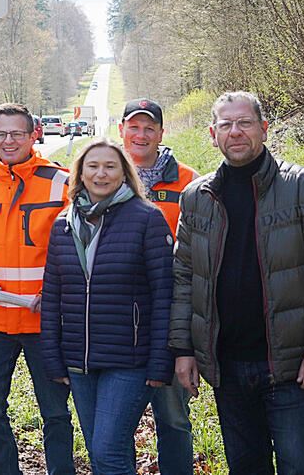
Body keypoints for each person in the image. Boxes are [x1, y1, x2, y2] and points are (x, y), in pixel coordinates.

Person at [170, 91, 304, 475]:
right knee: (245, 466)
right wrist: (183, 349)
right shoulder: (197, 198)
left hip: (289, 365)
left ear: (264, 129)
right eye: (226, 125)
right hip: (227, 366)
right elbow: (184, 278)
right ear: (213, 134)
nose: (235, 132)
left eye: (245, 123)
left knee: (297, 465)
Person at [41, 138, 174, 475]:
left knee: (107, 452)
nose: (101, 174)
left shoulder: (147, 219)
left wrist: (161, 360)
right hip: (79, 361)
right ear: (81, 174)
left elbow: (164, 294)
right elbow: (52, 295)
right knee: (104, 452)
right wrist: (53, 357)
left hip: (128, 360)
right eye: (93, 166)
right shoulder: (63, 224)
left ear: (124, 173)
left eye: (110, 166)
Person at [0, 103, 75, 475]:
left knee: (54, 410)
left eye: (17, 134)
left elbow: (75, 247)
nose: (8, 141)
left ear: (33, 135)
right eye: (1, 134)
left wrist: (53, 295)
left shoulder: (62, 183)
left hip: (45, 320)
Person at [118, 98, 198, 475]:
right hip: (117, 318)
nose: (141, 135)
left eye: (149, 128)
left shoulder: (188, 181)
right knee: (117, 418)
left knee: (173, 416)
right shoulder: (103, 174)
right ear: (121, 130)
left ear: (161, 133)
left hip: (169, 314)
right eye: (134, 127)